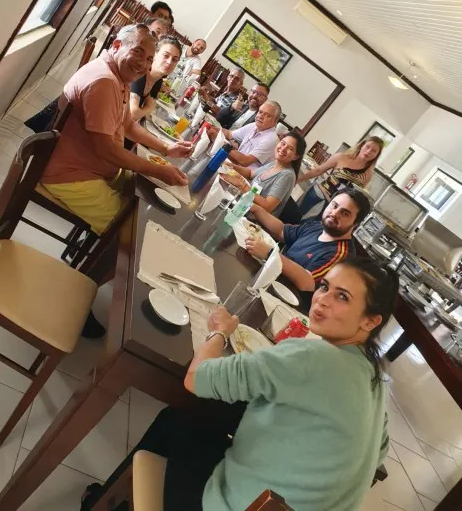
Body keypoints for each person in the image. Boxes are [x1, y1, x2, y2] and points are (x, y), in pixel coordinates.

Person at [81, 257, 398, 511]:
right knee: (209, 423)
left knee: (178, 418)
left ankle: (101, 502)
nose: (322, 300)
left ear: (370, 321)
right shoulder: (375, 379)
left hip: (233, 504)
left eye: (342, 297)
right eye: (325, 286)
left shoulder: (313, 356)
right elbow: (378, 454)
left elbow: (196, 378)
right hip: (275, 504)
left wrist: (219, 331)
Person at [41, 25, 190, 238]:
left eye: (149, 58)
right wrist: (158, 171)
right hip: (70, 175)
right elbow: (107, 149)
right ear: (117, 45)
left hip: (92, 167)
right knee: (129, 230)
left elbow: (127, 125)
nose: (143, 64)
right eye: (138, 52)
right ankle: (97, 255)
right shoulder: (105, 81)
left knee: (145, 198)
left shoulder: (118, 75)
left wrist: (167, 148)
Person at [246, 187, 371, 312]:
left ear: (355, 224)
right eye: (334, 205)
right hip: (269, 283)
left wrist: (270, 254)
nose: (335, 213)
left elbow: (307, 282)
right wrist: (256, 209)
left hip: (284, 307)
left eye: (345, 213)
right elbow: (281, 230)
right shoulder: (318, 227)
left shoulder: (341, 255)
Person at [297, 136, 384, 220]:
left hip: (333, 209)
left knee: (309, 229)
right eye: (367, 147)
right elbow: (318, 170)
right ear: (361, 146)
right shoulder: (341, 157)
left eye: (374, 151)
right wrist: (296, 180)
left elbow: (355, 195)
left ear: (377, 155)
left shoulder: (369, 174)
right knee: (294, 220)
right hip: (316, 195)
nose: (369, 151)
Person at [224, 131, 306, 216]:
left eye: (290, 148)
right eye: (283, 143)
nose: (283, 149)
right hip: (241, 206)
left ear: (296, 156)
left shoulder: (287, 175)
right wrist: (231, 166)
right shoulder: (275, 163)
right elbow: (251, 173)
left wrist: (242, 185)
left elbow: (267, 206)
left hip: (249, 217)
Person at [212, 101, 281, 170]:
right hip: (234, 165)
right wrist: (211, 127)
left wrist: (221, 141)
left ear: (275, 121)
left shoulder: (271, 139)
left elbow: (245, 161)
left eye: (267, 115)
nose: (260, 116)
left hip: (243, 174)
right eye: (260, 112)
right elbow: (229, 134)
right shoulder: (253, 126)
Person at [129, 36, 181, 122]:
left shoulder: (158, 82)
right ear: (155, 54)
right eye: (166, 56)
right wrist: (149, 108)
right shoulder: (141, 74)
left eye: (174, 60)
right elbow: (133, 113)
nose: (169, 62)